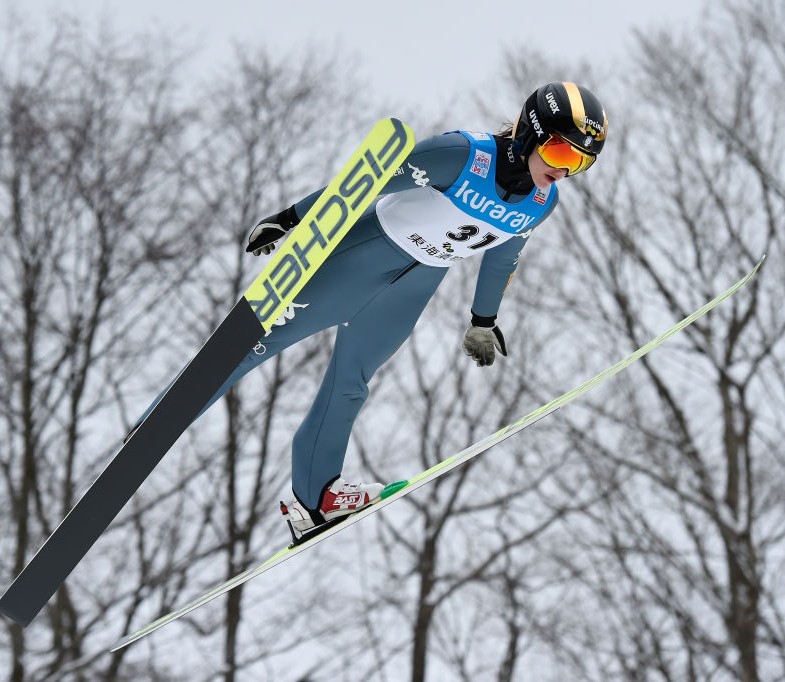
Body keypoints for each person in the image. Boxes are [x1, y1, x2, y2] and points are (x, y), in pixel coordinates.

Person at [186, 81, 606, 536]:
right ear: (530, 132)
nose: (566, 171)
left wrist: (483, 320)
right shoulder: (462, 155)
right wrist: (292, 218)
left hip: (414, 286)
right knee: (255, 345)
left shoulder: (542, 202)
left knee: (351, 382)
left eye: (580, 163)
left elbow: (504, 255)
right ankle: (157, 425)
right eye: (563, 154)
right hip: (363, 255)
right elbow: (366, 181)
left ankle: (314, 497)